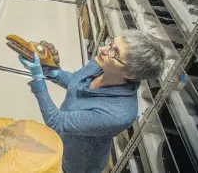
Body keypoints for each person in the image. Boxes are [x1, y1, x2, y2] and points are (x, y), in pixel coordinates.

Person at [19, 29, 166, 173]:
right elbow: (76, 81)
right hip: (65, 138)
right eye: (111, 43)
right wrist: (52, 72)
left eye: (114, 52)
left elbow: (56, 121)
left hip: (79, 160)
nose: (103, 49)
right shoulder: (100, 64)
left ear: (130, 73)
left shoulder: (118, 114)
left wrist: (38, 80)